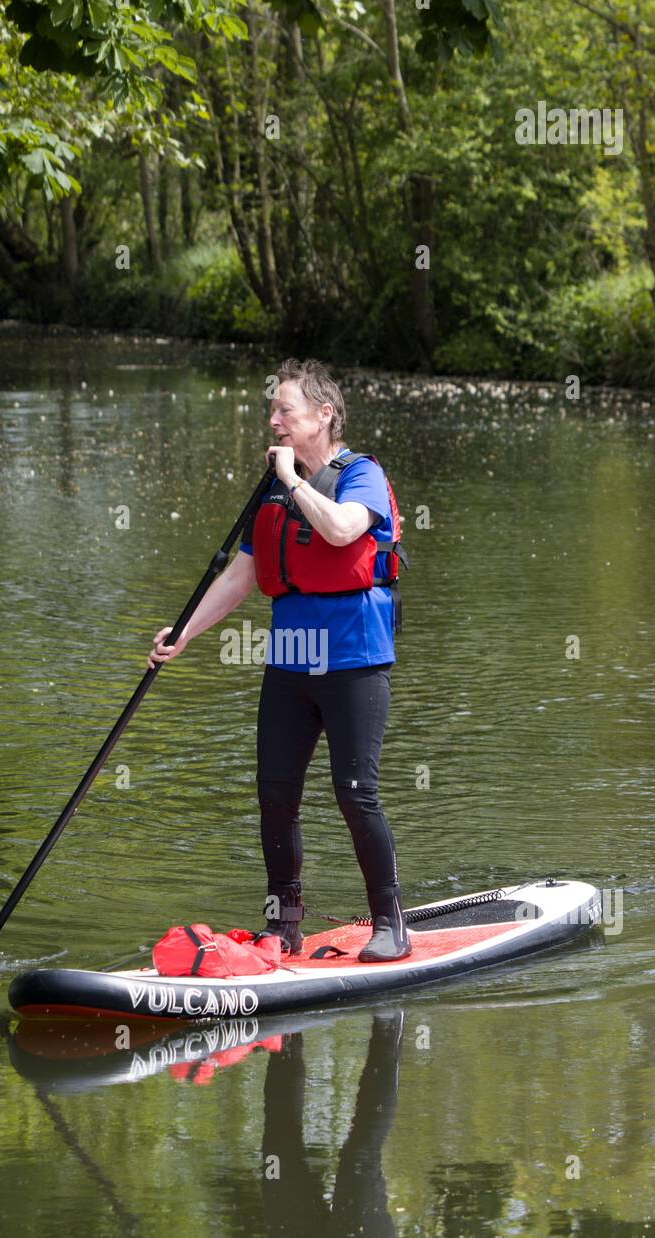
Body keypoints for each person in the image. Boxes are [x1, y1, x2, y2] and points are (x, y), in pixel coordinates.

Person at [148, 358, 409, 963]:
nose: (273, 421)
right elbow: (240, 578)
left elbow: (344, 531)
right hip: (291, 659)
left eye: (284, 410)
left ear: (324, 415)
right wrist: (184, 632)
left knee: (354, 793)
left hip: (354, 658)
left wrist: (293, 480)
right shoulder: (271, 488)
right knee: (276, 793)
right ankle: (283, 924)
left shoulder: (361, 475)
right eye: (273, 411)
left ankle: (390, 922)